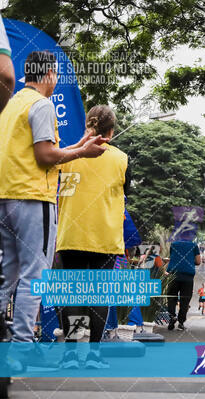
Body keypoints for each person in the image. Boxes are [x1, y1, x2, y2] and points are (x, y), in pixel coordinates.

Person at [0, 51, 106, 370]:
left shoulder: (10, 106)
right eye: (56, 73)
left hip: (6, 197)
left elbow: (36, 151)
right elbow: (46, 156)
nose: (57, 79)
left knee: (8, 273)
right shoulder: (42, 104)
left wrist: (79, 147)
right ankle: (21, 347)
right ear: (48, 73)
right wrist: (81, 153)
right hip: (35, 198)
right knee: (36, 275)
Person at [56, 105, 129, 369]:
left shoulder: (67, 155)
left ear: (88, 124)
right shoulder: (122, 159)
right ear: (112, 130)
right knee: (98, 295)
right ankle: (94, 356)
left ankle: (71, 356)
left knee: (74, 295)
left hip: (71, 235)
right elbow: (124, 197)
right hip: (105, 238)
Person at [166, 239, 201, 330]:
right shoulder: (194, 245)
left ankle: (172, 317)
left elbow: (172, 258)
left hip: (173, 275)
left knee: (171, 297)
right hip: (187, 277)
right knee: (185, 300)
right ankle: (181, 323)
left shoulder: (173, 244)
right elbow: (198, 261)